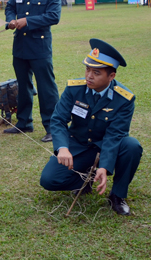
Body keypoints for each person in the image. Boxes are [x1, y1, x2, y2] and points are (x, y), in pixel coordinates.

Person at [40, 39, 142, 215]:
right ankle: (86, 178)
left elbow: (115, 134)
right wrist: (62, 148)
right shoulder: (74, 89)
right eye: (87, 69)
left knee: (132, 146)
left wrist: (105, 166)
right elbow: (58, 120)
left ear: (111, 76)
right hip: (79, 145)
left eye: (96, 72)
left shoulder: (124, 99)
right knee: (49, 180)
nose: (89, 76)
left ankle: (117, 195)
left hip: (106, 146)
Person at [4, 0, 61, 142]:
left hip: (39, 46)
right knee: (23, 85)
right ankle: (24, 123)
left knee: (46, 87)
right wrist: (11, 20)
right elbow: (10, 6)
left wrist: (26, 21)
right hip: (20, 45)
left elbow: (54, 16)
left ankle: (53, 127)